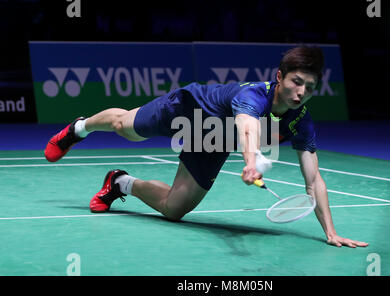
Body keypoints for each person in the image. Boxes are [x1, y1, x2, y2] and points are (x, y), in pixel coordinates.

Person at [45, 45, 368, 248]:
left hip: (212, 141)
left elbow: (313, 180)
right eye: (297, 82)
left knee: (174, 209)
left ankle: (119, 182)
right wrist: (252, 160)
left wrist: (330, 231)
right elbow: (248, 126)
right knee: (125, 128)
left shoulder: (301, 120)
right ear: (280, 77)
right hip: (190, 109)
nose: (301, 92)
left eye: (309, 88)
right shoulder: (252, 96)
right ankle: (78, 129)